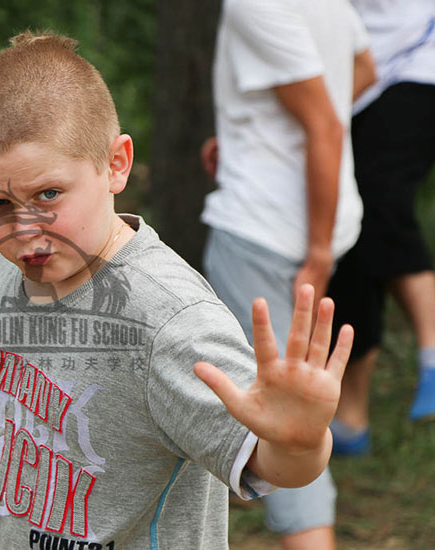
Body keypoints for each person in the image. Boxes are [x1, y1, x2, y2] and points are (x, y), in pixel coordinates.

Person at [0, 32, 354, 549]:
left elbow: (269, 460)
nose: (24, 230)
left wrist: (303, 440)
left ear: (116, 165)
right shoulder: (13, 267)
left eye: (49, 195)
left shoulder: (171, 322)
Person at [198, 1, 375, 548]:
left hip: (268, 230)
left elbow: (322, 120)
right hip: (305, 221)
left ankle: (307, 531)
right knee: (284, 401)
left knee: (285, 416)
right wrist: (269, 130)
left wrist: (318, 254)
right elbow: (364, 68)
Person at [327, 0, 435, 455]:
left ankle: (432, 355)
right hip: (350, 73)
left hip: (418, 59)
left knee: (380, 198)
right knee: (351, 226)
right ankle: (350, 418)